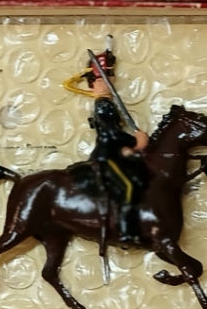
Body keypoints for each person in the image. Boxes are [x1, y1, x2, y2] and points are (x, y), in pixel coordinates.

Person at [63, 50, 150, 246]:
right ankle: (126, 231)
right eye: (104, 79)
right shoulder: (104, 105)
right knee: (128, 186)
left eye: (109, 77)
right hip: (108, 152)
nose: (110, 80)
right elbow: (111, 133)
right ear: (93, 84)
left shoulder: (107, 102)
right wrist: (137, 142)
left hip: (112, 149)